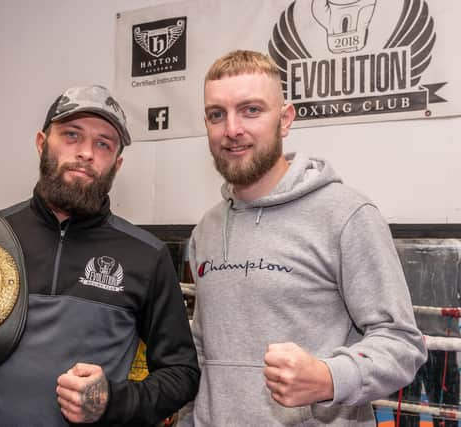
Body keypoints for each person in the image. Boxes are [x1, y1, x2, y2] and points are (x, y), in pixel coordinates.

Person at [0, 85, 200, 426]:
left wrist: (113, 400)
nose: (86, 152)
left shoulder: (145, 255)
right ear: (42, 143)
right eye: (72, 135)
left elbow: (182, 373)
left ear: (117, 163)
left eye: (103, 144)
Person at [178, 50, 427, 426]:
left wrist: (329, 377)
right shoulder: (207, 229)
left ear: (285, 119)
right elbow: (204, 349)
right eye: (217, 114)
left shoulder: (346, 214)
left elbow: (402, 344)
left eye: (251, 110)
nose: (232, 129)